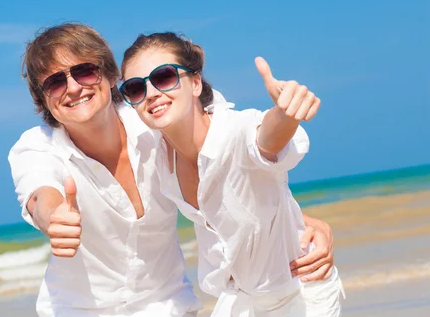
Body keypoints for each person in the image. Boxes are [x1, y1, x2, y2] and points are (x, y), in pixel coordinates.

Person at [8, 23, 337, 317]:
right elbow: (39, 194)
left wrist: (304, 224)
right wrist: (54, 219)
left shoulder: (160, 114)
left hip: (167, 307)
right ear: (43, 99)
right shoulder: (36, 148)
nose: (74, 87)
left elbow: (240, 156)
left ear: (109, 77)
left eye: (84, 71)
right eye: (54, 82)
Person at [119, 32, 345, 316]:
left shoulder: (234, 132)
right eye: (136, 88)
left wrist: (287, 113)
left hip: (299, 295)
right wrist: (309, 221)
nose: (151, 93)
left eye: (164, 77)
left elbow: (263, 139)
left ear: (196, 83)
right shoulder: (157, 152)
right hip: (238, 301)